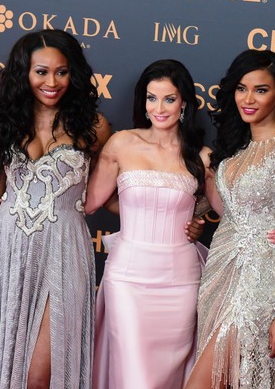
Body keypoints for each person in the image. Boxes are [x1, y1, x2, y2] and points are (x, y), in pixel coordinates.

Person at [0, 29, 111, 388]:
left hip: (64, 253)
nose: (52, 81)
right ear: (23, 73)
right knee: (9, 371)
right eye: (41, 71)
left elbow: (116, 192)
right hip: (10, 253)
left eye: (62, 71)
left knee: (37, 375)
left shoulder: (94, 127)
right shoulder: (2, 126)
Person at [185, 49, 275, 389]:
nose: (248, 98)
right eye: (242, 88)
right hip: (219, 274)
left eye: (261, 90)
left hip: (258, 283)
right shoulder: (237, 146)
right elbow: (228, 209)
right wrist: (192, 218)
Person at [85, 59, 210, 389]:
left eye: (169, 99)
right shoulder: (122, 143)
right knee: (134, 377)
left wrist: (197, 219)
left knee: (166, 378)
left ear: (184, 102)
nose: (160, 107)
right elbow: (90, 201)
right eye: (151, 98)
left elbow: (226, 210)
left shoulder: (202, 156)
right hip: (127, 278)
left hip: (180, 282)